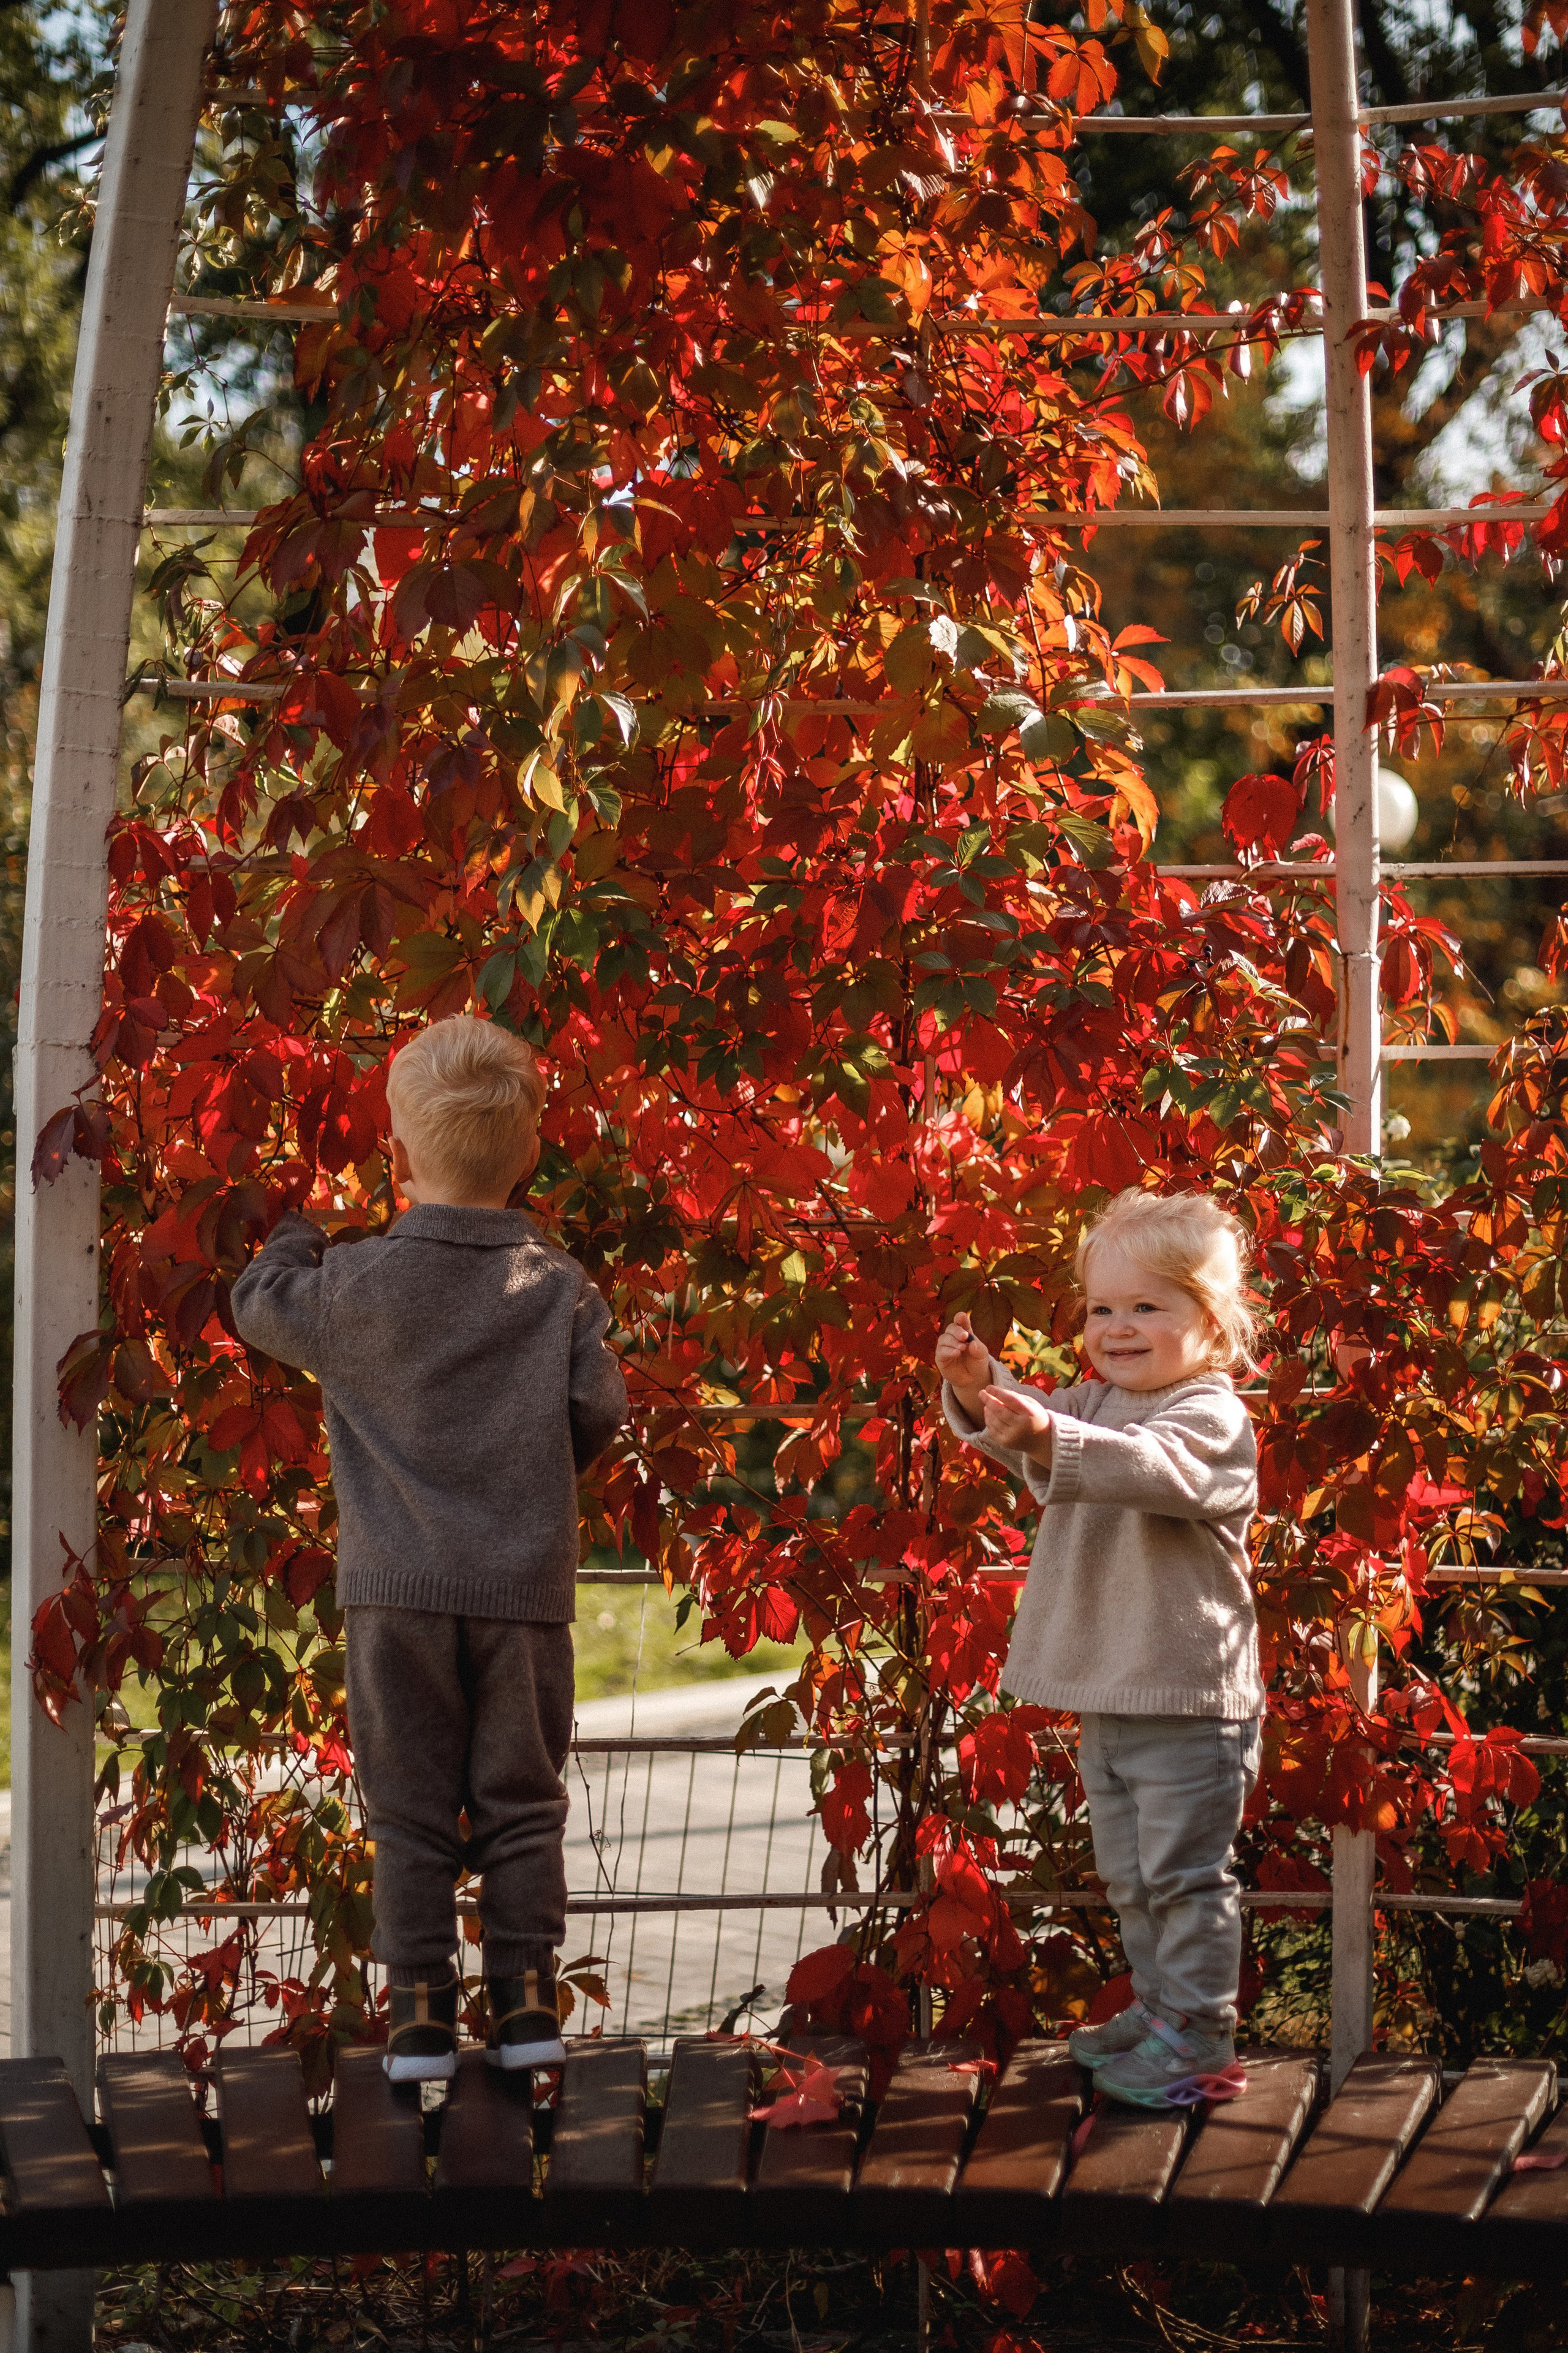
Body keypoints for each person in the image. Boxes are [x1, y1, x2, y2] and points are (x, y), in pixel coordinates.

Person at [232, 1014, 627, 2081]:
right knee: (522, 1801)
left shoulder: (355, 1285)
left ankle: (416, 2018)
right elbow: (599, 1407)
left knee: (406, 1807)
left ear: (397, 1157)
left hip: (393, 1594)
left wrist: (294, 1237)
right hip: (523, 1591)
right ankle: (528, 2005)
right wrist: (529, 1483)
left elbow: (256, 1304)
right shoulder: (559, 1285)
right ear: (532, 1154)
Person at [935, 1188, 1262, 2108]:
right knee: (1130, 1877)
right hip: (1116, 1697)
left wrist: (1050, 1430)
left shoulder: (1210, 1416)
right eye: (1102, 1308)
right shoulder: (1101, 1400)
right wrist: (979, 1387)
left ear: (1212, 1320)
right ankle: (1162, 2010)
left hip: (1192, 1702)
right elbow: (1040, 1424)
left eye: (1147, 1307)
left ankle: (1201, 2038)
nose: (1118, 1328)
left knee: (1186, 1879)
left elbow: (1146, 1467)